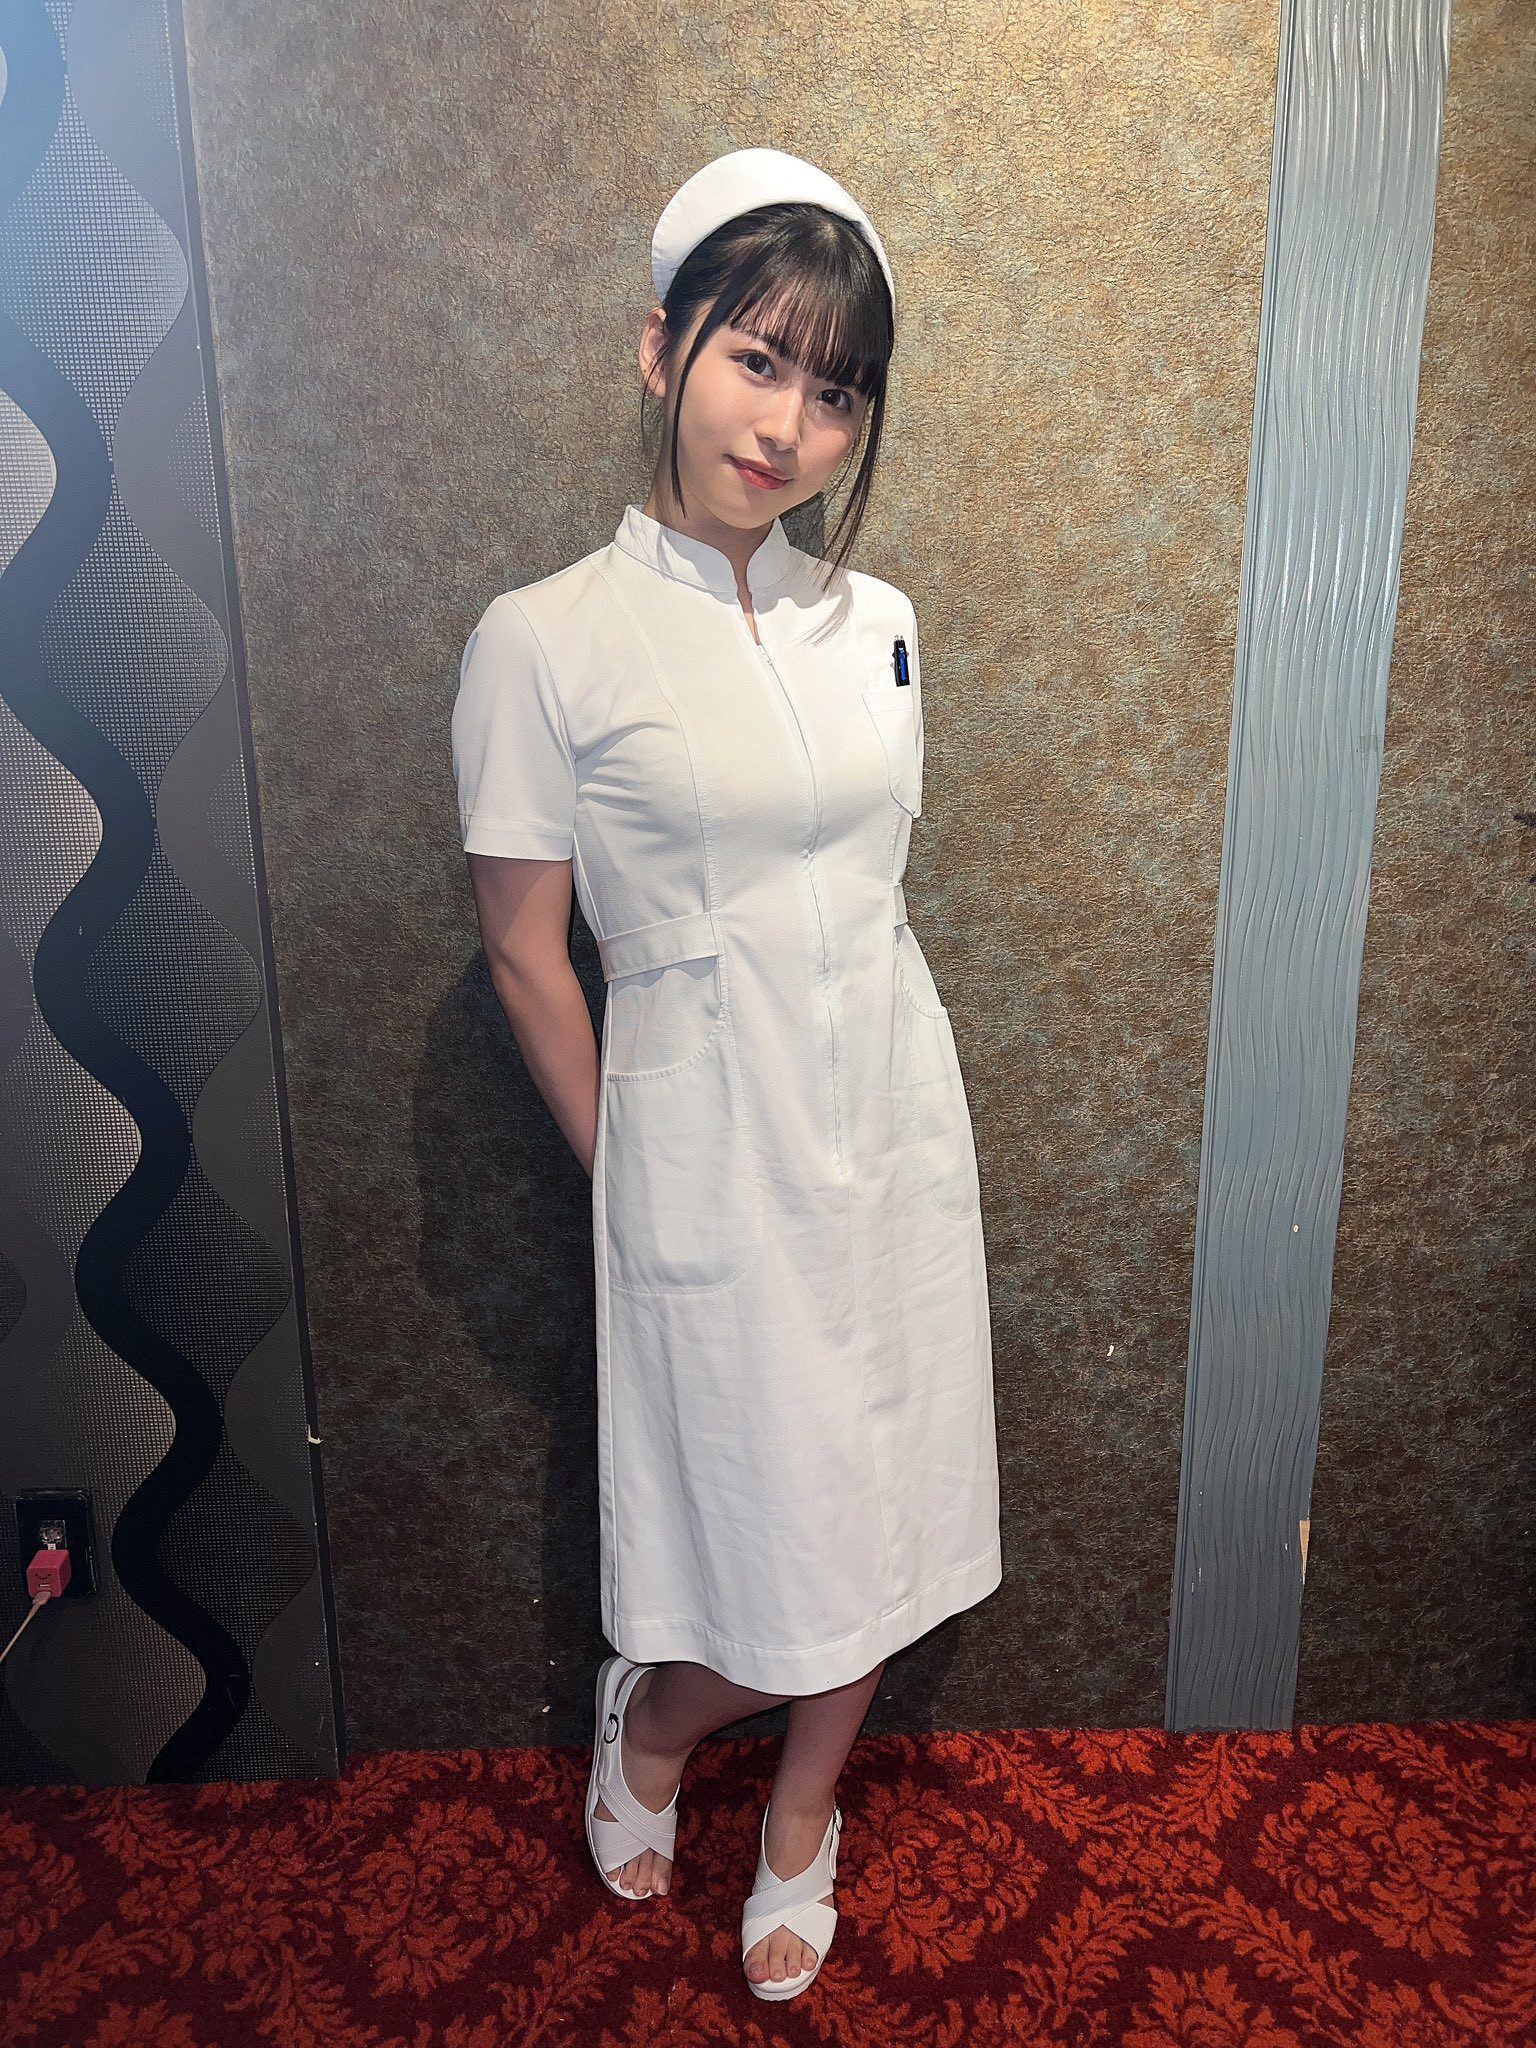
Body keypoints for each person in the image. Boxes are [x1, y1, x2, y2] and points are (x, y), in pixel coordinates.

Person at [450, 146, 1002, 2001]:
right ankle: (662, 1725)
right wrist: (633, 1167)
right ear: (659, 350)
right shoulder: (544, 640)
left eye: (834, 391)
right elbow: (525, 947)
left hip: (893, 1125)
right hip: (703, 1143)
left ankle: (801, 1818)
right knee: (769, 1529)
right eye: (756, 361)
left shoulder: (885, 626)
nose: (788, 426)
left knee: (886, 1505)